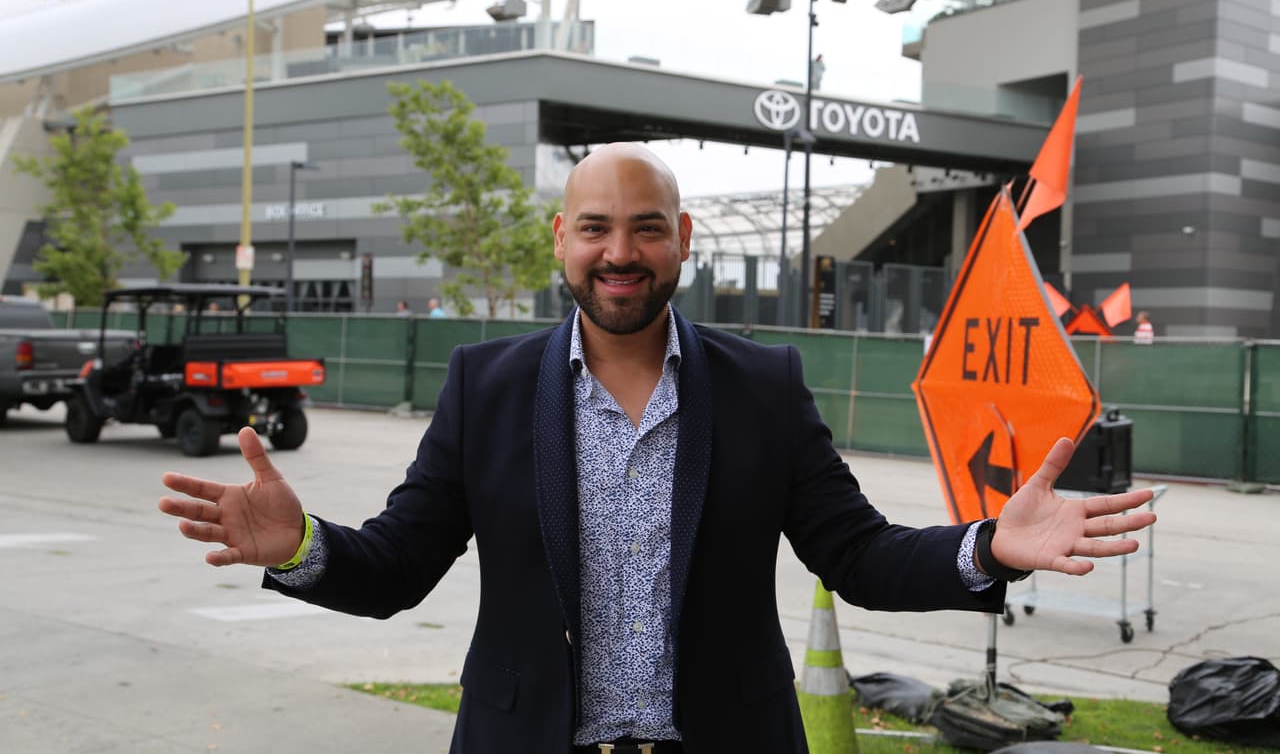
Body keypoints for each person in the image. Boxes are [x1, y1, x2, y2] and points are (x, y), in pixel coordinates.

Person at [158, 143, 1156, 754]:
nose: (619, 253)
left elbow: (854, 554)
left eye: (644, 228)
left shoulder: (761, 388)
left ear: (680, 238)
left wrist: (985, 544)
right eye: (595, 228)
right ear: (560, 238)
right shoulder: (485, 386)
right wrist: (300, 546)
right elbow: (399, 566)